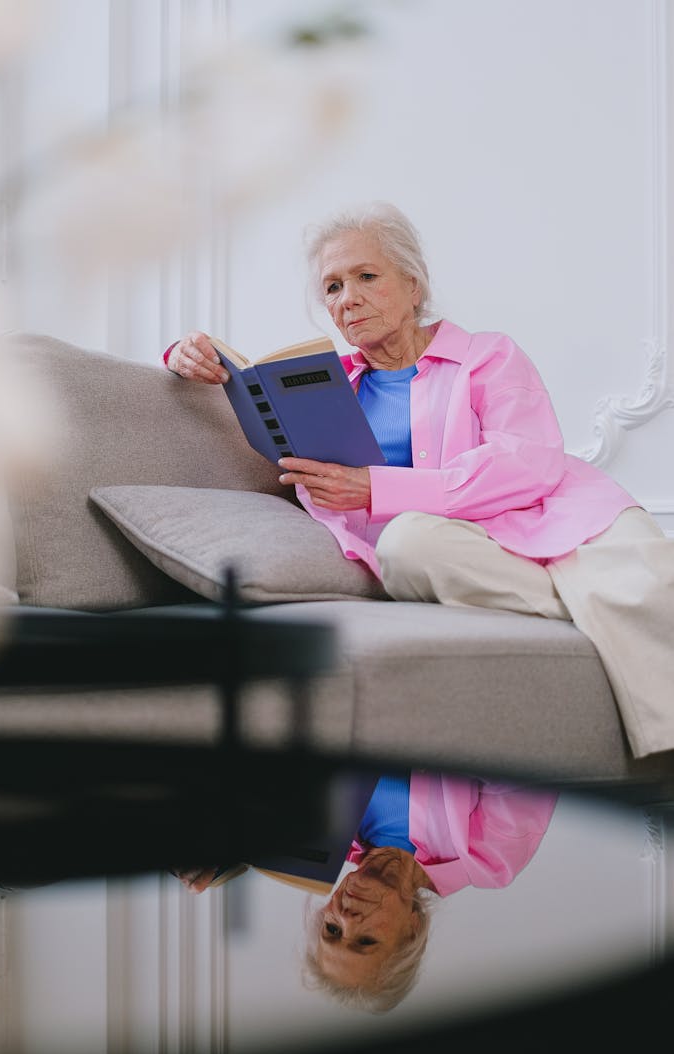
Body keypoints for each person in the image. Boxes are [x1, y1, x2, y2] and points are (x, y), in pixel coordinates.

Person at [163, 199, 674, 762]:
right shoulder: (322, 388)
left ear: (413, 285)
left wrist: (377, 488)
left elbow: (526, 464)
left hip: (564, 518)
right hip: (458, 549)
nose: (347, 298)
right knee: (407, 543)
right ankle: (595, 604)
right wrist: (184, 354)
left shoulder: (489, 357)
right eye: (331, 288)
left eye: (366, 276)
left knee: (646, 582)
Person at [173, 771, 558, 1014]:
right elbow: (522, 753)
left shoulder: (326, 832)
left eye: (332, 932)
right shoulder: (489, 858)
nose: (346, 918)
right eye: (366, 941)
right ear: (410, 930)